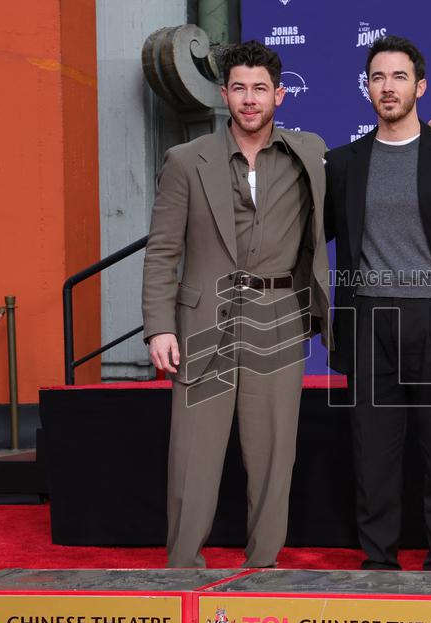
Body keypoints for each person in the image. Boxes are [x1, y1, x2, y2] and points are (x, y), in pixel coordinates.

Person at [141, 40, 331, 568]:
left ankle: (262, 568)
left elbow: (367, 167)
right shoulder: (186, 161)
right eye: (240, 88)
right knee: (192, 456)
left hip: (279, 316)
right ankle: (182, 567)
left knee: (274, 455)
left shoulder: (309, 153)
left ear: (279, 95)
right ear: (224, 95)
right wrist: (159, 326)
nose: (250, 99)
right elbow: (162, 250)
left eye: (260, 89)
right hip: (203, 322)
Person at [325, 36, 431, 571]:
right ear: (367, 88)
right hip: (369, 318)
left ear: (421, 86)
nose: (387, 87)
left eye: (398, 77)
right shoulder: (342, 163)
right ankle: (378, 561)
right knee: (374, 453)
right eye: (377, 78)